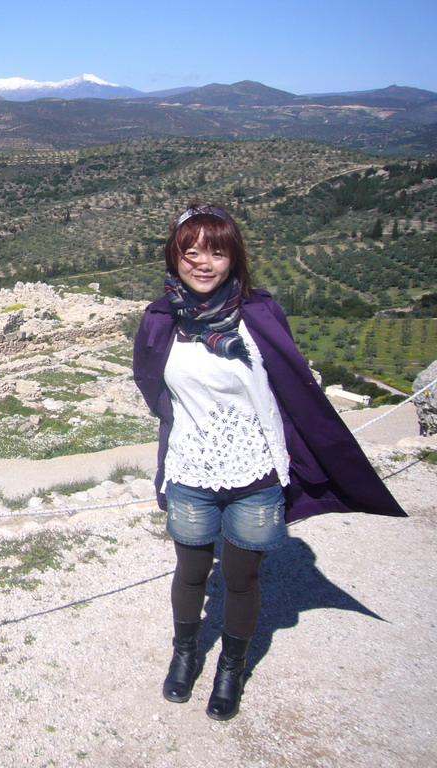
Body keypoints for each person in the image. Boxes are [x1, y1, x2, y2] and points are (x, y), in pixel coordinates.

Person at [132, 202, 406, 721]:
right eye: (190, 252)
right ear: (174, 257)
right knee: (191, 572)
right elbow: (151, 385)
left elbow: (288, 384)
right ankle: (185, 654)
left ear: (234, 257)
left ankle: (232, 667)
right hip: (190, 470)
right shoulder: (160, 319)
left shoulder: (259, 314)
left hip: (255, 475)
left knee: (240, 578)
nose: (203, 263)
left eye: (216, 251)